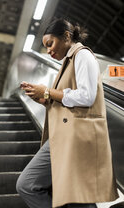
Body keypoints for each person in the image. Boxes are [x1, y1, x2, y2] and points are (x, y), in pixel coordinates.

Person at [16, 18, 118, 208]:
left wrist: (47, 91)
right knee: (72, 197)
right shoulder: (68, 61)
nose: (48, 51)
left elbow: (87, 96)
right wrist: (45, 100)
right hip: (66, 136)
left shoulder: (82, 55)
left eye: (50, 44)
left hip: (76, 137)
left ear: (66, 36)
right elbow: (69, 98)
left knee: (31, 185)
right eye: (46, 47)